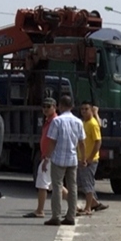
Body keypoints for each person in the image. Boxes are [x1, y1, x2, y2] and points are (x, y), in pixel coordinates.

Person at [43, 95, 85, 226]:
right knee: (73, 188)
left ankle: (56, 216)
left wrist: (46, 158)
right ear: (72, 106)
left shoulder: (57, 121)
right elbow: (82, 142)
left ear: (60, 106)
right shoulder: (78, 121)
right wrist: (83, 158)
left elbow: (52, 141)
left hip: (58, 159)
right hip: (72, 159)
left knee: (57, 187)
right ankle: (70, 216)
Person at [77, 101, 103, 216]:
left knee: (88, 184)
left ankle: (88, 207)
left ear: (91, 110)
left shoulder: (93, 124)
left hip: (89, 160)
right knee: (82, 183)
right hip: (82, 158)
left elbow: (98, 142)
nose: (83, 111)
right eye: (82, 109)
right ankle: (94, 203)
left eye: (86, 109)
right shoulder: (84, 123)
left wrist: (90, 158)